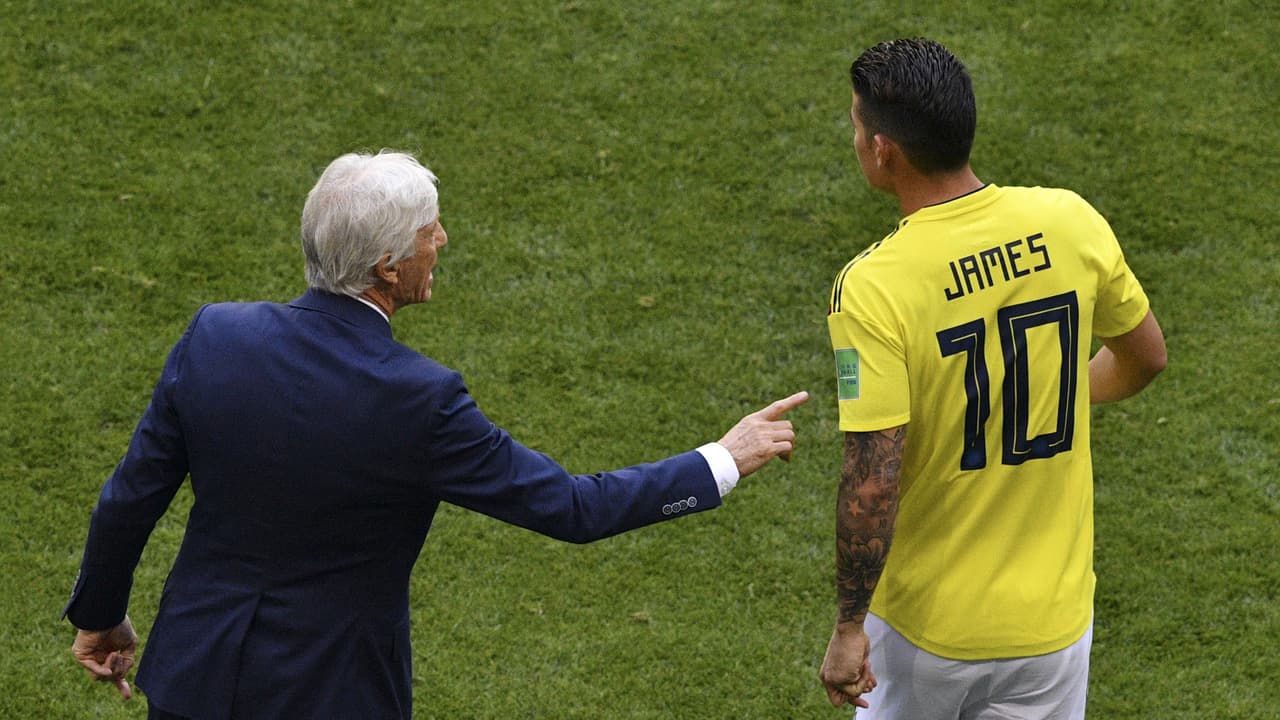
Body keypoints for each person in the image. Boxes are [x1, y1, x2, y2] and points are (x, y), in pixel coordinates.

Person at [65, 150, 809, 719]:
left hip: (194, 678)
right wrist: (723, 459)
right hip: (334, 695)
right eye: (431, 231)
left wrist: (100, 619)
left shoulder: (213, 336)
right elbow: (573, 509)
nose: (443, 239)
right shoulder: (418, 399)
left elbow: (129, 499)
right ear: (389, 267)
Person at [817, 38, 1167, 718]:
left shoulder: (874, 287)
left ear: (884, 150)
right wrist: (1044, 397)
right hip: (1053, 629)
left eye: (858, 126)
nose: (855, 138)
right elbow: (1145, 356)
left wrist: (849, 625)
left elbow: (872, 478)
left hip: (929, 631)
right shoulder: (1070, 221)